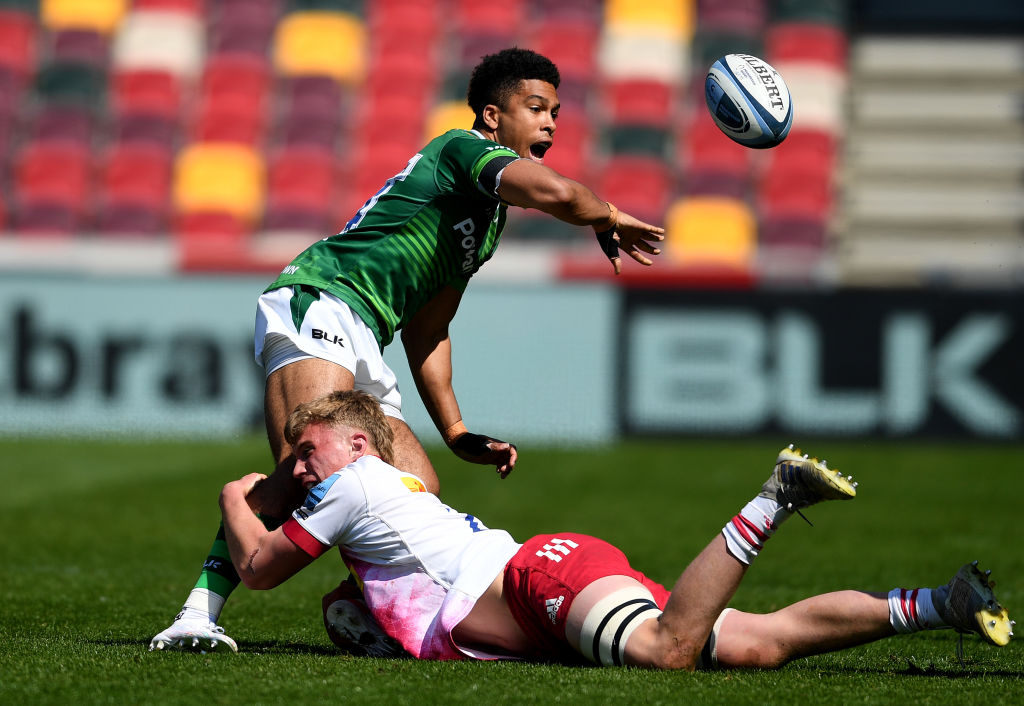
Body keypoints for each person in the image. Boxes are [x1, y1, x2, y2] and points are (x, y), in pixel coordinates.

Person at [149, 47, 665, 652]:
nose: (550, 122)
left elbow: (429, 328)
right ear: (493, 118)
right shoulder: (462, 151)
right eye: (536, 108)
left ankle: (361, 606)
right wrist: (606, 214)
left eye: (556, 112)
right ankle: (197, 612)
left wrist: (455, 429)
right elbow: (553, 192)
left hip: (367, 334)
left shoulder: (488, 223)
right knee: (309, 468)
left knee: (415, 486)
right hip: (321, 298)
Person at [151, 389, 1015, 666]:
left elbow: (261, 570)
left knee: (667, 651)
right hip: (547, 575)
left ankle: (774, 497)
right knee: (754, 645)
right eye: (293, 457)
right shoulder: (385, 484)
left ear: (355, 439)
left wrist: (238, 491)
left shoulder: (359, 481)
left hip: (539, 581)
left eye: (306, 448)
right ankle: (943, 602)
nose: (296, 466)